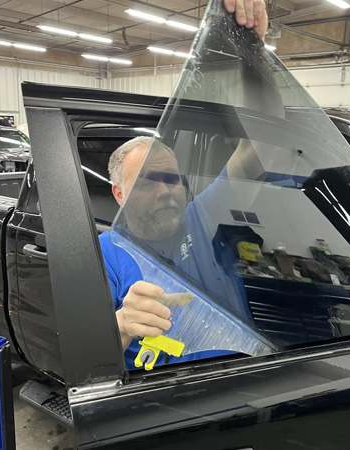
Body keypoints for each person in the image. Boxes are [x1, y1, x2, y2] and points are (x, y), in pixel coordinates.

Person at [100, 0, 269, 369]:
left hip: (249, 376)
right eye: (148, 182)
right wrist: (122, 324)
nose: (165, 191)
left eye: (172, 179)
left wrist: (253, 52)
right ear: (119, 193)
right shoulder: (104, 254)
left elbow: (261, 144)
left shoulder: (204, 216)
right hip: (170, 396)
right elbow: (86, 358)